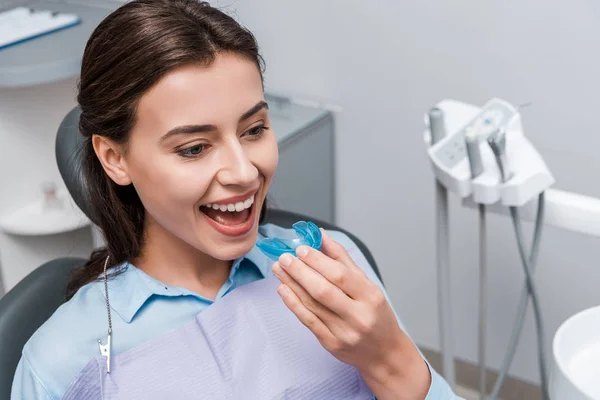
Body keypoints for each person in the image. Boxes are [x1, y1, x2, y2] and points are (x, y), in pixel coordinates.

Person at [11, 0, 460, 399]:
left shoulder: (334, 271)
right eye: (194, 148)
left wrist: (391, 360)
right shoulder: (61, 363)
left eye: (254, 130)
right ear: (114, 158)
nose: (245, 172)